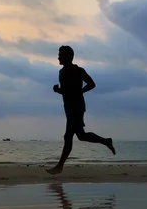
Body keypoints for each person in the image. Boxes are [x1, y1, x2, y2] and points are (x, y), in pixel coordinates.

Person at [46, 45, 115, 175]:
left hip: (76, 107)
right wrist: (58, 90)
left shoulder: (78, 70)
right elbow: (67, 92)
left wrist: (80, 91)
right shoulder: (61, 72)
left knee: (68, 136)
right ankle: (106, 141)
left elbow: (91, 84)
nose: (58, 57)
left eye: (60, 55)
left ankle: (59, 166)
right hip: (69, 108)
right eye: (58, 54)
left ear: (69, 57)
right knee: (81, 136)